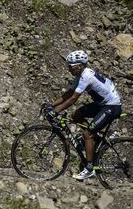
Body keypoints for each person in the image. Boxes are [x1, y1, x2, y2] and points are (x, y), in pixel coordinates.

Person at [47, 50, 122, 180]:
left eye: (71, 65)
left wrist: (56, 111)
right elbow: (68, 94)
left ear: (80, 65)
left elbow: (73, 99)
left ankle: (89, 168)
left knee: (87, 134)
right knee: (76, 115)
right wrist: (52, 105)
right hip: (102, 104)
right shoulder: (79, 75)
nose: (68, 68)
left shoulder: (86, 76)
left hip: (112, 106)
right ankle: (97, 138)